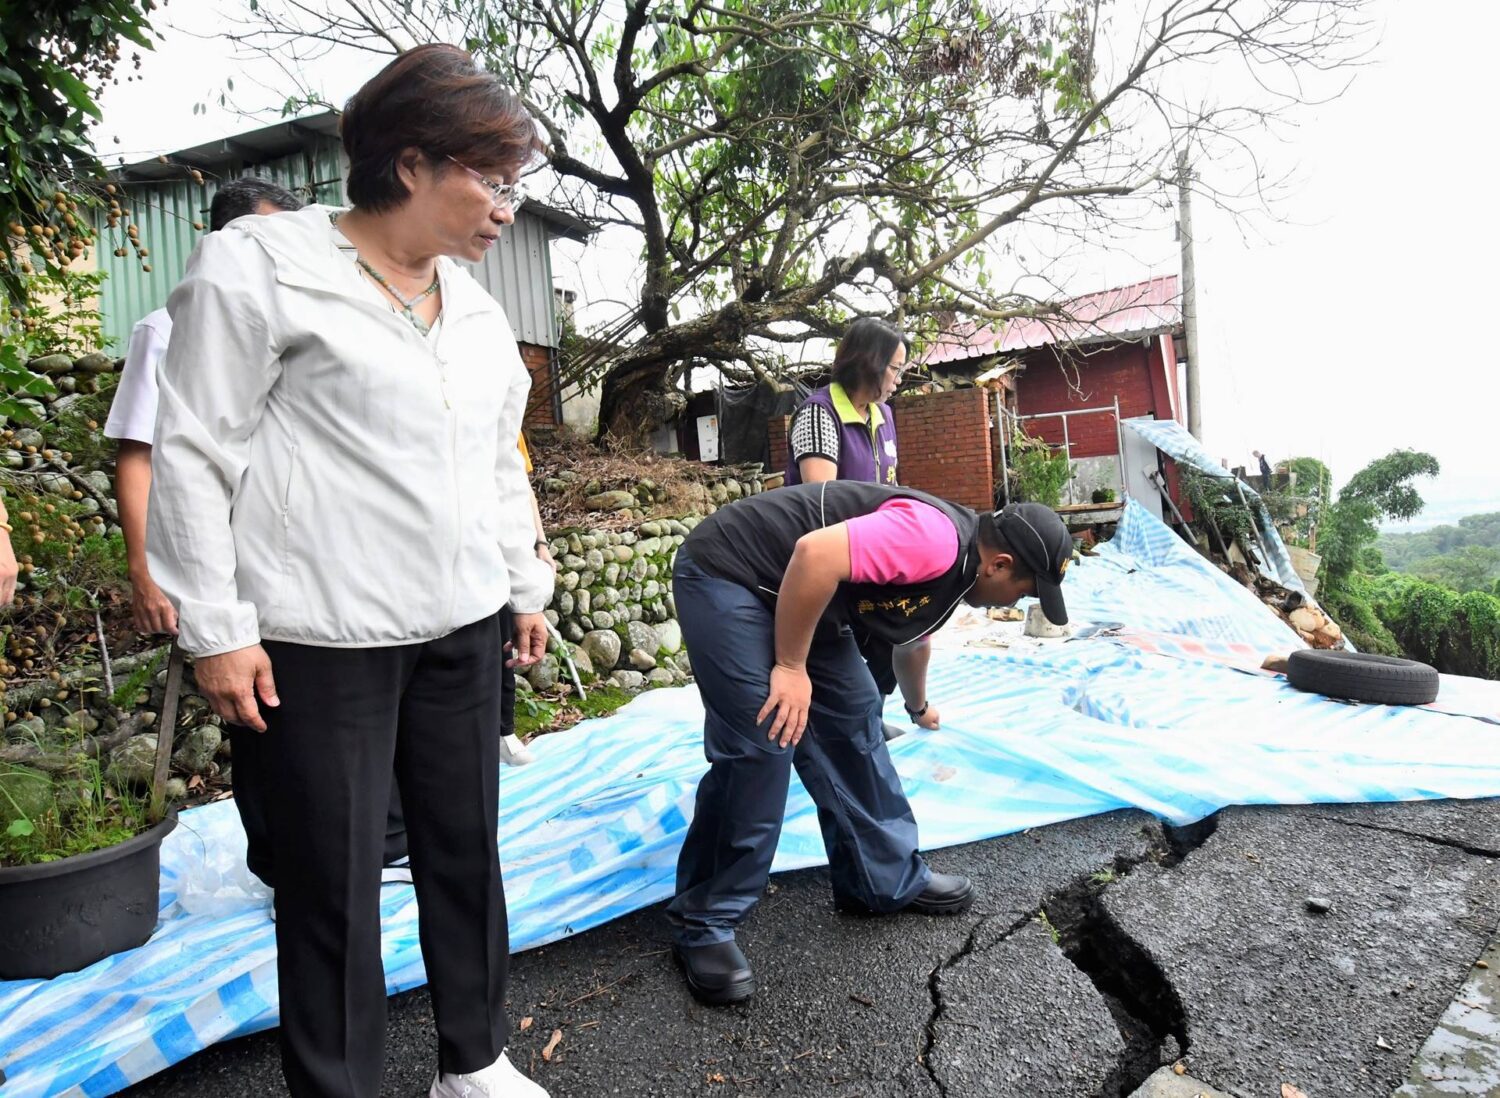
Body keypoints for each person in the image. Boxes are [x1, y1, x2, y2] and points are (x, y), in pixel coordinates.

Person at [147, 45, 553, 1098]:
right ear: (410, 163)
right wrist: (217, 628)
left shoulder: (471, 308)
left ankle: (475, 1059)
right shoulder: (262, 267)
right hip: (319, 640)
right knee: (331, 885)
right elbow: (193, 449)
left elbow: (498, 456)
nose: (508, 209)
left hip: (460, 627)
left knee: (465, 852)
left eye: (516, 185)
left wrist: (523, 584)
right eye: (493, 180)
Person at [666, 480, 1073, 1005]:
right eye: (1025, 590)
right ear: (999, 563)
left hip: (802, 592)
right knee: (764, 735)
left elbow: (908, 638)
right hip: (731, 573)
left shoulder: (957, 570)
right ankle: (705, 920)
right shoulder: (934, 538)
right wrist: (789, 667)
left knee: (853, 717)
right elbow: (813, 554)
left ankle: (880, 878)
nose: (1019, 602)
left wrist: (917, 706)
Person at [106, 177, 303, 637]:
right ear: (223, 240)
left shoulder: (307, 330)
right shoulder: (166, 329)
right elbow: (139, 454)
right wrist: (145, 572)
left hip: (293, 566)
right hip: (217, 563)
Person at [785, 317, 927, 742]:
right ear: (870, 363)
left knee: (892, 631)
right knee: (836, 645)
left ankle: (871, 715)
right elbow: (821, 498)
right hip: (832, 552)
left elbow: (889, 483)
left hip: (874, 550)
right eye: (896, 368)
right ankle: (831, 726)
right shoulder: (818, 412)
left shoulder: (883, 414)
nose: (900, 378)